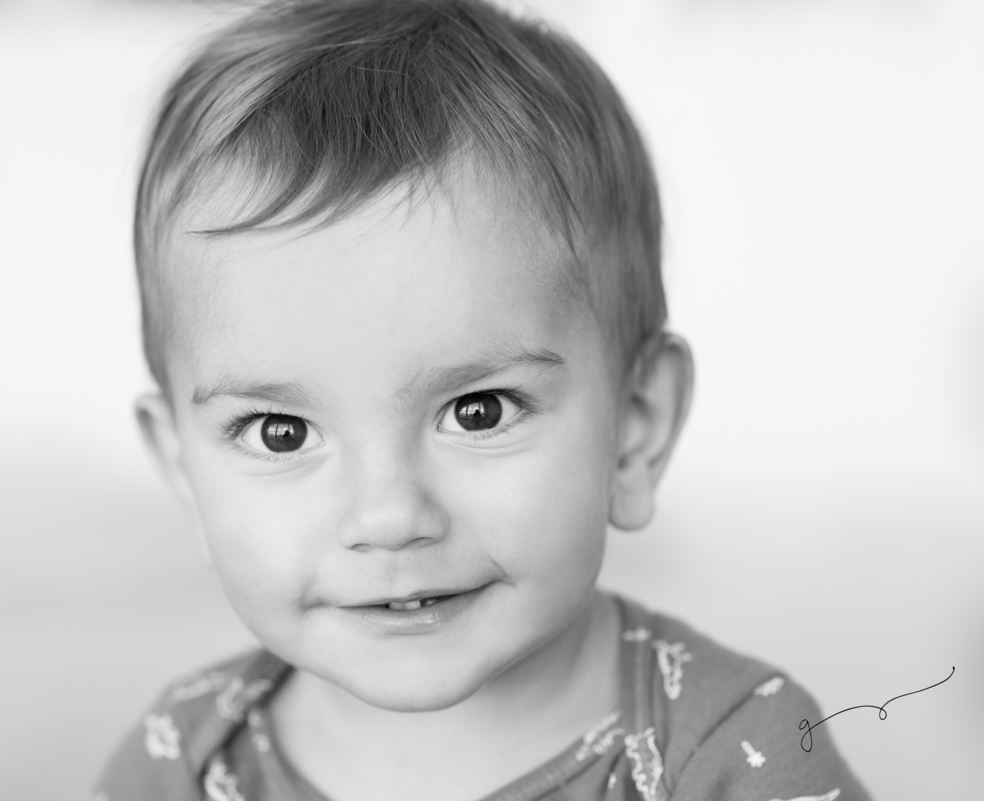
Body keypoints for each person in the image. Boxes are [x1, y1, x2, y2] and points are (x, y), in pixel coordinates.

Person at [95, 1, 872, 799]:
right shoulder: (178, 764)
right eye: (281, 431)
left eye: (480, 412)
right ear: (183, 466)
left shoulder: (737, 754)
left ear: (634, 428)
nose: (389, 517)